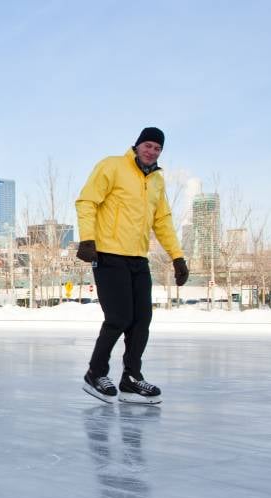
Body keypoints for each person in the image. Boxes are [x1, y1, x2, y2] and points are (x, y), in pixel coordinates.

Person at [75, 127, 189, 405]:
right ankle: (96, 373)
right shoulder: (112, 166)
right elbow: (87, 202)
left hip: (138, 258)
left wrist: (177, 256)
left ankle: (131, 379)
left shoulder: (157, 181)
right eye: (148, 145)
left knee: (141, 320)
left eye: (158, 148)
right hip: (109, 255)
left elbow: (162, 221)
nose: (152, 151)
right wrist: (88, 240)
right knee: (118, 318)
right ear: (137, 145)